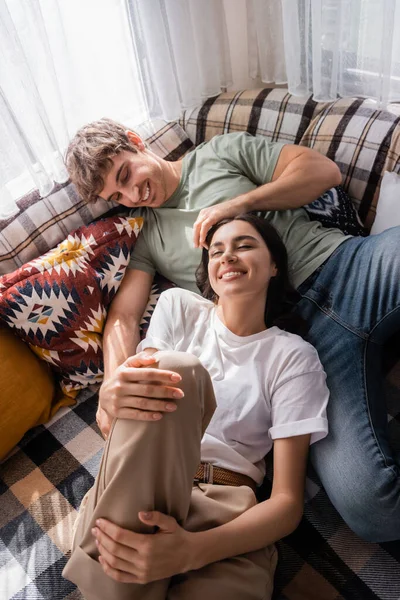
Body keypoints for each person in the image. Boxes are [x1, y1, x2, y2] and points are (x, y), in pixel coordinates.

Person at [65, 119, 400, 542]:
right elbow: (123, 318)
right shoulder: (149, 238)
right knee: (373, 509)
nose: (133, 196)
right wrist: (115, 386)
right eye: (117, 196)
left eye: (126, 175)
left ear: (136, 142)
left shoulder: (218, 152)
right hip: (304, 345)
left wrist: (236, 206)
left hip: (349, 267)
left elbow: (322, 173)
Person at [63, 215, 330, 600]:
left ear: (274, 266)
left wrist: (189, 551)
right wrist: (111, 391)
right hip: (144, 479)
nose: (227, 256)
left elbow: (287, 503)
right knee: (175, 370)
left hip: (226, 511)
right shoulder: (179, 307)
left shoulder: (293, 357)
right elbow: (141, 391)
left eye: (244, 245)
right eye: (216, 251)